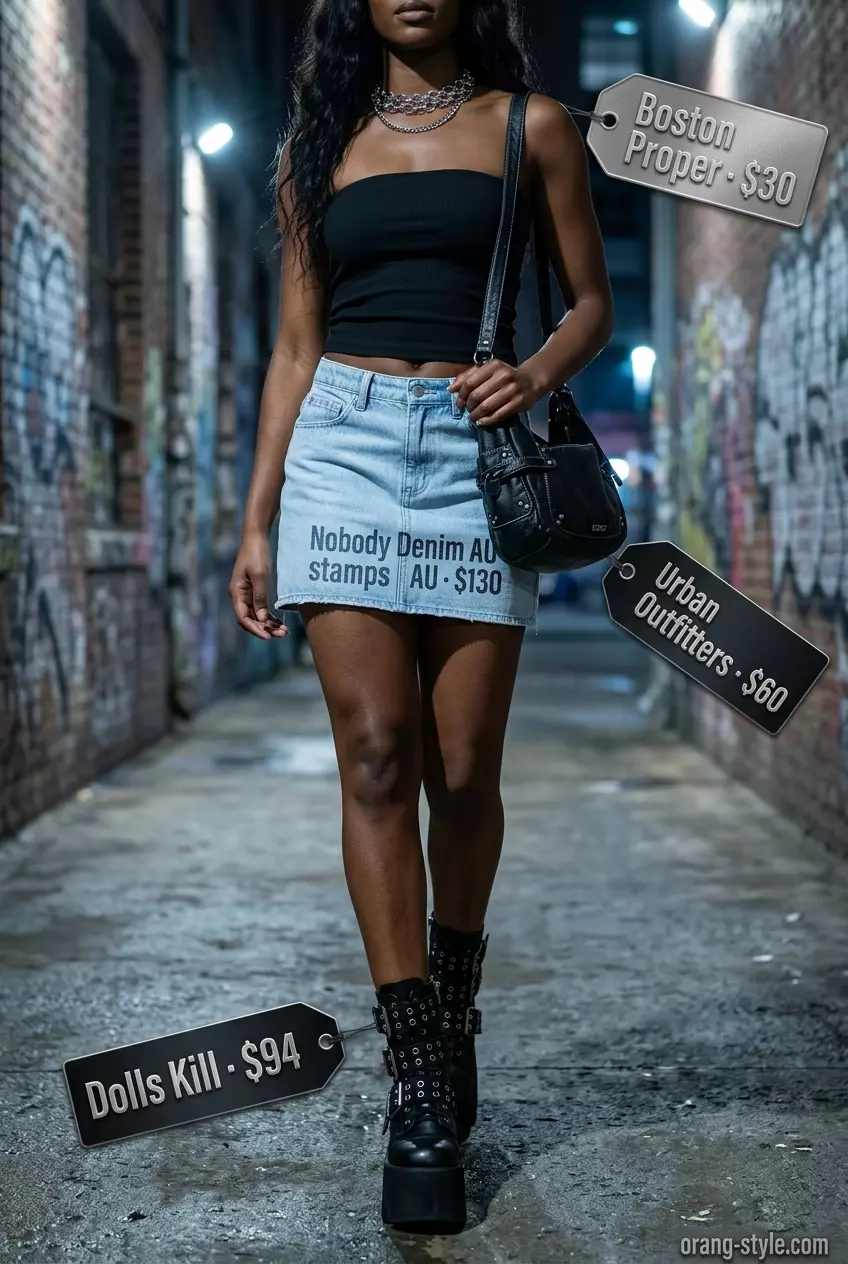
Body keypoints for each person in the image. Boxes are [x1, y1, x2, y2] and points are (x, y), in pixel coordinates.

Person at [229, 0, 613, 1233]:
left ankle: (454, 1003)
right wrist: (256, 519)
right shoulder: (315, 147)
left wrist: (534, 372)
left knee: (461, 767)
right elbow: (293, 348)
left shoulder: (531, 126)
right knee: (378, 752)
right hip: (341, 448)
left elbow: (589, 303)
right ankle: (418, 1078)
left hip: (472, 455)